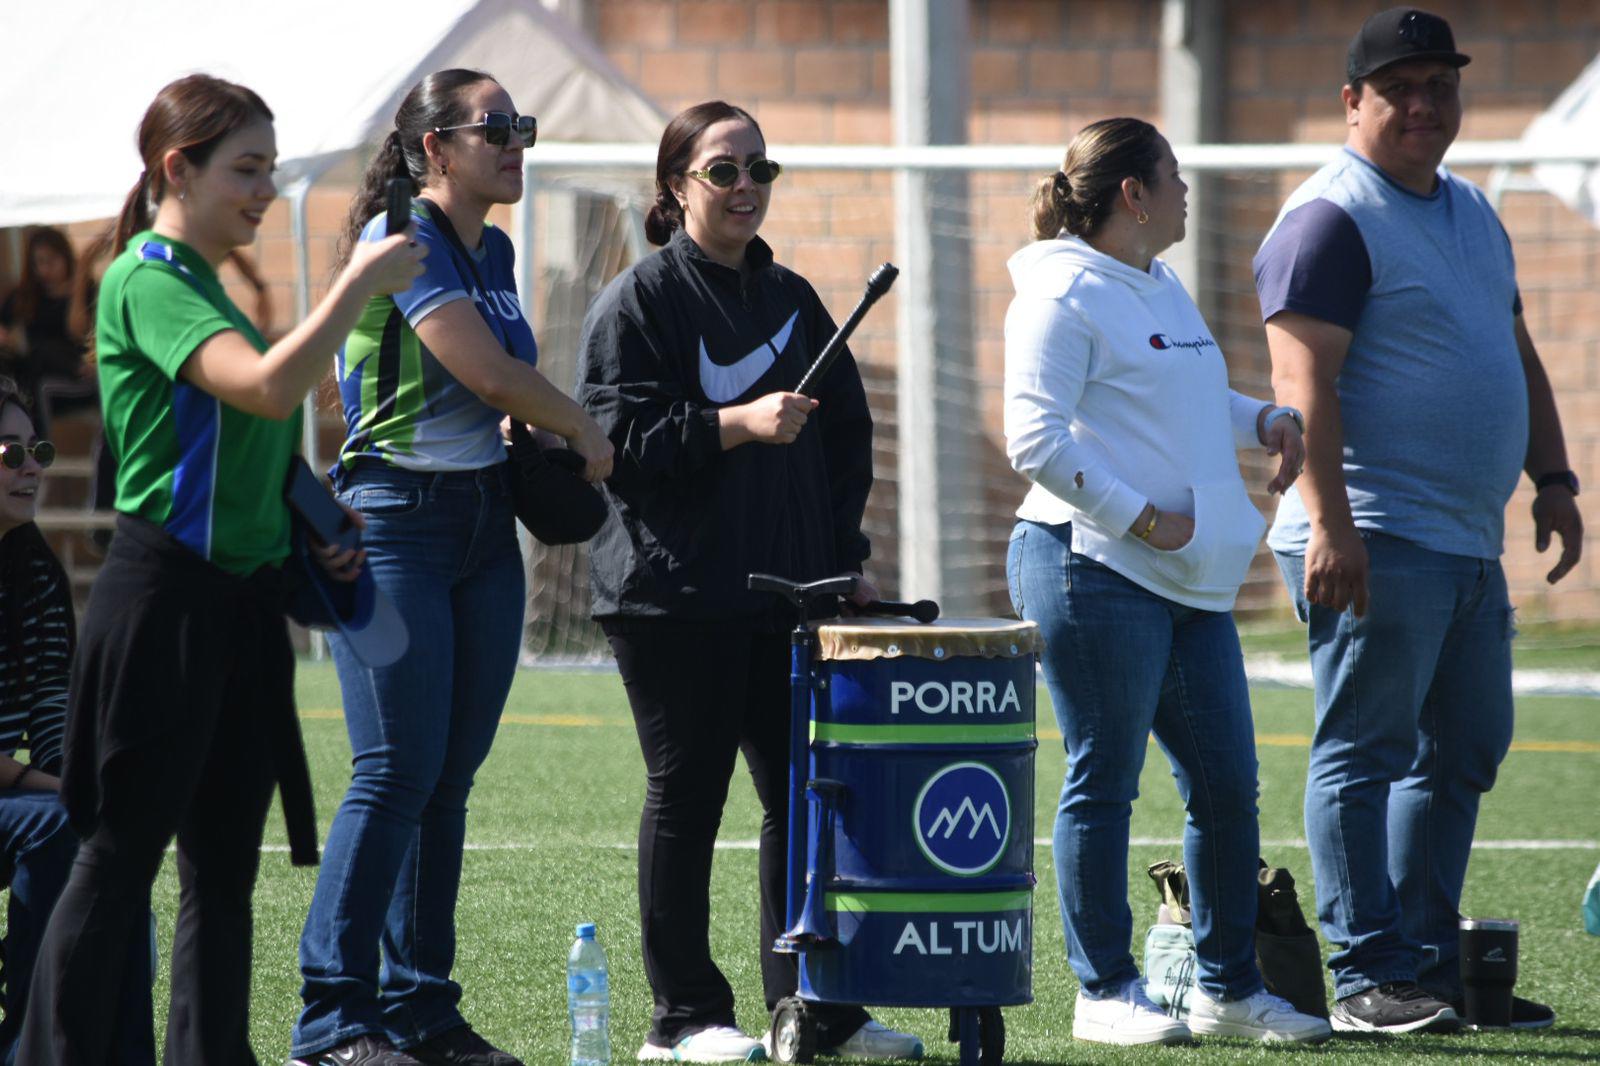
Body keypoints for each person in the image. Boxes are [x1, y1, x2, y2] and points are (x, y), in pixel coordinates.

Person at [17, 73, 424, 1064]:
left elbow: (253, 444)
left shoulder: (209, 287)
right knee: (116, 860)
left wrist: (313, 530)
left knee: (223, 872)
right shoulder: (144, 276)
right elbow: (268, 383)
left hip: (241, 609)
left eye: (269, 170)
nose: (263, 191)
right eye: (245, 169)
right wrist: (359, 280)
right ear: (176, 170)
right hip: (160, 604)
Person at [1253, 6, 1584, 1036]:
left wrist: (1554, 474)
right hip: (1374, 531)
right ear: (1352, 100)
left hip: (1462, 540)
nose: (1424, 105)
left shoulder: (1474, 209)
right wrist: (1333, 525)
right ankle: (1367, 974)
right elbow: (1300, 382)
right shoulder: (1327, 216)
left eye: (1439, 84)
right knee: (1363, 749)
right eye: (1401, 88)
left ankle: (1430, 963)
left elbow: (1513, 349)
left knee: (1467, 747)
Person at [576, 100, 922, 1063]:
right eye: (723, 171)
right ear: (676, 185)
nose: (744, 189)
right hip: (671, 596)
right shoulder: (638, 302)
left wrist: (839, 561)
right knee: (688, 799)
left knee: (805, 801)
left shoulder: (794, 298)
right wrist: (737, 422)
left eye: (760, 171)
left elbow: (844, 437)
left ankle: (812, 1006)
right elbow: (617, 445)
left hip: (785, 596)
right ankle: (683, 1020)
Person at [289, 69, 612, 1066]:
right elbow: (487, 371)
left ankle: (420, 1009)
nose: (517, 142)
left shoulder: (497, 245)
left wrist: (540, 428)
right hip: (391, 522)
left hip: (479, 525)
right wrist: (582, 427)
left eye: (523, 126)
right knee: (393, 773)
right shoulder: (406, 235)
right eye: (496, 128)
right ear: (435, 146)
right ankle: (331, 1022)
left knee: (447, 780)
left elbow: (501, 391)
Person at [1003, 118, 1331, 1047]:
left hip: (1189, 578)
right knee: (1103, 782)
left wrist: (1262, 418)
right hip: (1089, 565)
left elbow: (1181, 404)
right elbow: (1034, 437)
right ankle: (1105, 990)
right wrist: (1140, 517)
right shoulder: (1058, 292)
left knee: (1227, 784)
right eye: (1173, 176)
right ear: (1134, 195)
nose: (1187, 189)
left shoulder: (1158, 280)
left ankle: (1228, 990)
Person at [0, 228, 97, 432]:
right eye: (38, 263)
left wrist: (77, 285)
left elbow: (79, 333)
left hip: (76, 373)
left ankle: (41, 446)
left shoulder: (86, 290)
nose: (44, 270)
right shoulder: (28, 295)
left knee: (41, 355)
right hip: (33, 369)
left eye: (51, 261)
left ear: (65, 257)